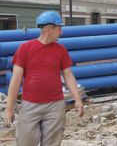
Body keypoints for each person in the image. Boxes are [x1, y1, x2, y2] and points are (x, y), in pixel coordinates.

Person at [4, 11, 84, 146]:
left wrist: (78, 99)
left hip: (55, 105)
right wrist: (9, 108)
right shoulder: (25, 48)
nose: (61, 33)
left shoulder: (61, 50)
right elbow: (16, 80)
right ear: (49, 29)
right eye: (59, 29)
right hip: (30, 105)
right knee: (25, 143)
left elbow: (68, 75)